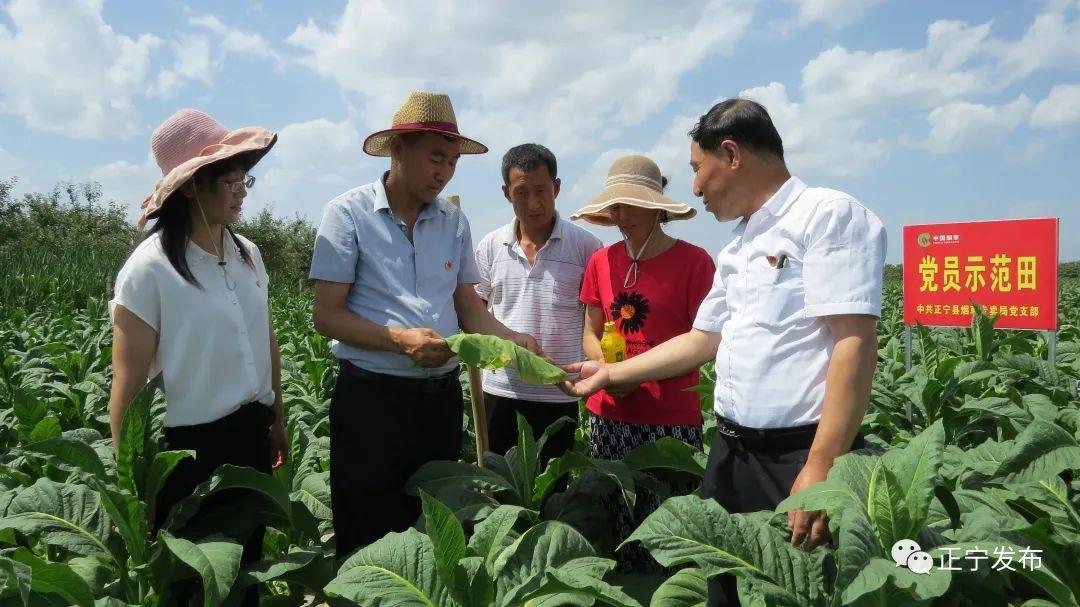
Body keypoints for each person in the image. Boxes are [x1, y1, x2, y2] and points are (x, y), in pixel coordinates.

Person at [561, 99, 886, 606]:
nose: (694, 187)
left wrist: (822, 463)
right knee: (725, 591)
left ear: (731, 154)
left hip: (797, 455)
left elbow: (854, 341)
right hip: (731, 453)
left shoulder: (827, 215)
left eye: (697, 168)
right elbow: (702, 340)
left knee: (796, 590)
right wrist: (609, 373)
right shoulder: (738, 246)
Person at [309, 91, 543, 560]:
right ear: (398, 149)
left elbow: (468, 309)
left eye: (453, 162)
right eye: (436, 157)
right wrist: (398, 341)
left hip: (438, 400)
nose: (444, 172)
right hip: (371, 400)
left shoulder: (454, 221)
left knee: (431, 531)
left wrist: (517, 342)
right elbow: (325, 315)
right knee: (366, 529)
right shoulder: (348, 215)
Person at [108, 109, 286, 607]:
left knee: (243, 574)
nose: (242, 189)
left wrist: (277, 414)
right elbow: (128, 383)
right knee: (194, 585)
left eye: (244, 176)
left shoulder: (248, 252)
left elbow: (264, 335)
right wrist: (135, 482)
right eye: (229, 178)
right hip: (186, 453)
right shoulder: (149, 270)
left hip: (249, 435)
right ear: (189, 187)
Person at [569, 154, 715, 573]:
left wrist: (625, 374)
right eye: (614, 206)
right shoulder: (602, 261)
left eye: (629, 205)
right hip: (609, 413)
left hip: (669, 416)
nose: (619, 215)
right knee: (618, 521)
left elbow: (701, 341)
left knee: (673, 529)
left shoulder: (695, 263)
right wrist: (607, 375)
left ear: (656, 207)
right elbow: (590, 333)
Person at [473, 143, 602, 463]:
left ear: (556, 188)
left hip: (559, 390)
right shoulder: (491, 245)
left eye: (542, 190)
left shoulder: (586, 247)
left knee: (552, 491)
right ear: (506, 193)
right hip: (501, 389)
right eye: (521, 192)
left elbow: (597, 319)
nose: (533, 203)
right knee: (502, 486)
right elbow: (473, 308)